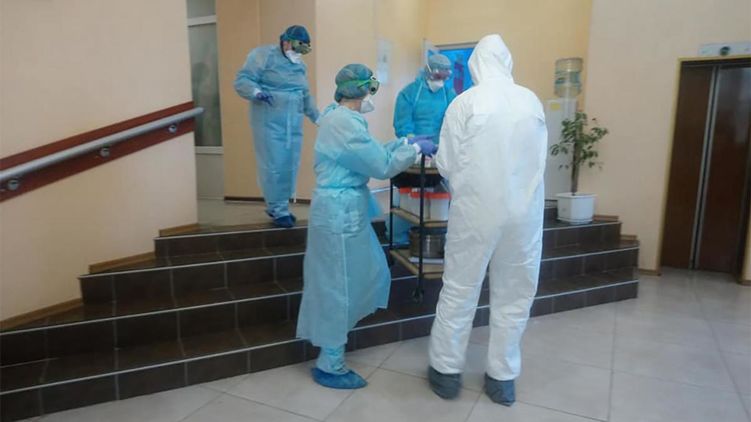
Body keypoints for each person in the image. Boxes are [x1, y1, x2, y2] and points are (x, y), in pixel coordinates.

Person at [296, 64, 437, 389]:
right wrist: (415, 149)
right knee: (338, 286)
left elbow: (368, 153)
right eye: (371, 87)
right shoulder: (343, 122)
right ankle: (330, 364)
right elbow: (381, 165)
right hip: (338, 214)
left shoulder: (341, 118)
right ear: (362, 90)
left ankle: (333, 351)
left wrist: (403, 141)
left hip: (343, 210)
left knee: (362, 274)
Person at [427, 34, 547, 405]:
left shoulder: (466, 102)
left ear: (476, 65)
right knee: (515, 294)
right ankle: (502, 378)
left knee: (460, 290)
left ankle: (446, 371)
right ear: (507, 62)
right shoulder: (531, 101)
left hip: (476, 213)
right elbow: (538, 161)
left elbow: (446, 162)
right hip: (524, 215)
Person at [234, 25, 319, 228]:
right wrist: (256, 93)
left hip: (293, 124)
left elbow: (305, 94)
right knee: (274, 165)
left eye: (303, 49)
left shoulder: (300, 66)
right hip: (269, 121)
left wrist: (318, 118)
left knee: (290, 165)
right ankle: (277, 208)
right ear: (286, 42)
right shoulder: (263, 56)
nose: (298, 53)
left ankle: (281, 206)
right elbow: (243, 80)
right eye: (297, 47)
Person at [389, 54, 457, 243]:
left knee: (438, 199)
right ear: (428, 71)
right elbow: (402, 125)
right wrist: (416, 145)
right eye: (438, 76)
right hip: (414, 153)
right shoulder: (409, 93)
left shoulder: (449, 94)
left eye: (445, 77)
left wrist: (442, 147)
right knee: (410, 200)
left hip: (438, 153)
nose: (441, 81)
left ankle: (435, 238)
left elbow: (453, 122)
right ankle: (400, 239)